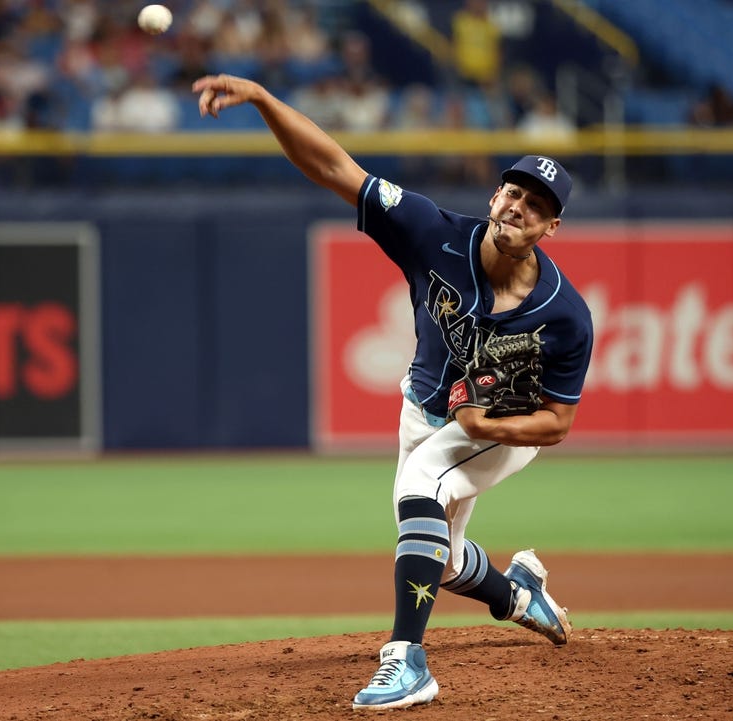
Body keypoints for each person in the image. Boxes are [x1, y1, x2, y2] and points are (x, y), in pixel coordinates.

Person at [192, 74, 594, 710]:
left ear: (553, 226)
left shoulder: (564, 315)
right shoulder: (431, 232)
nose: (519, 207)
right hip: (424, 406)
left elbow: (558, 422)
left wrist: (493, 430)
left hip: (502, 426)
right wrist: (267, 101)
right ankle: (520, 594)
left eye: (537, 204)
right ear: (495, 196)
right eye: (513, 191)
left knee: (424, 485)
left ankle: (407, 660)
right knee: (444, 555)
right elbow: (334, 168)